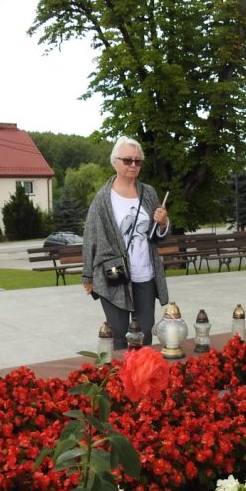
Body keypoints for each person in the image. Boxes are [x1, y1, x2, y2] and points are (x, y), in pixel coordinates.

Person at [82, 136, 171, 349]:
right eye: (128, 160)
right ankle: (123, 380)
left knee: (146, 334)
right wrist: (87, 275)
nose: (133, 165)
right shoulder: (103, 198)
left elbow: (159, 236)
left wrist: (163, 223)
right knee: (120, 336)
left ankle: (143, 378)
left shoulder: (148, 193)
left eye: (138, 161)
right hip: (114, 271)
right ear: (115, 161)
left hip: (145, 274)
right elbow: (90, 237)